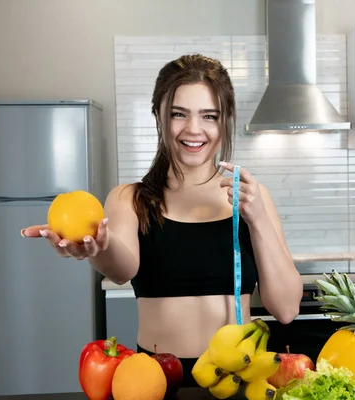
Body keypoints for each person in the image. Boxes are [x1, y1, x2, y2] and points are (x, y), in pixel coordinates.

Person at [20, 53, 304, 387]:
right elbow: (122, 269)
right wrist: (97, 247)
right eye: (178, 114)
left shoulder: (252, 197)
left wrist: (257, 220)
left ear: (225, 120)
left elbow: (285, 309)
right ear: (158, 116)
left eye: (209, 116)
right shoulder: (130, 198)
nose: (193, 129)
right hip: (155, 380)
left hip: (240, 379)